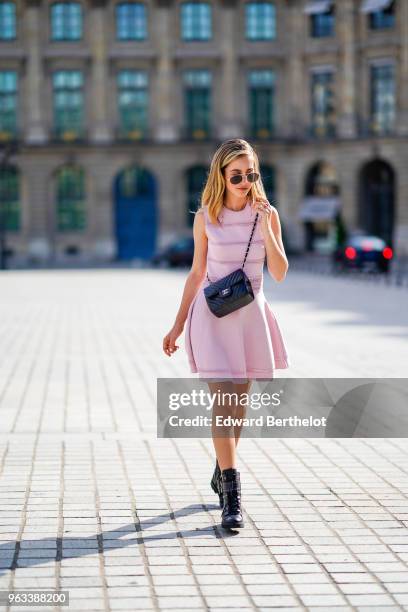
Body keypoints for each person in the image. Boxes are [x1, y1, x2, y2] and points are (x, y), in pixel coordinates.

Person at [163, 138, 290, 529]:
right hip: (213, 317)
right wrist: (177, 324)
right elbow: (197, 273)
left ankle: (221, 470)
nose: (245, 181)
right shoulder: (206, 217)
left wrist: (266, 224)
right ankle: (232, 499)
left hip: (251, 317)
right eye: (236, 175)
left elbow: (281, 272)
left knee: (238, 409)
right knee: (223, 401)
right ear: (221, 175)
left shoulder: (267, 215)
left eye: (251, 174)